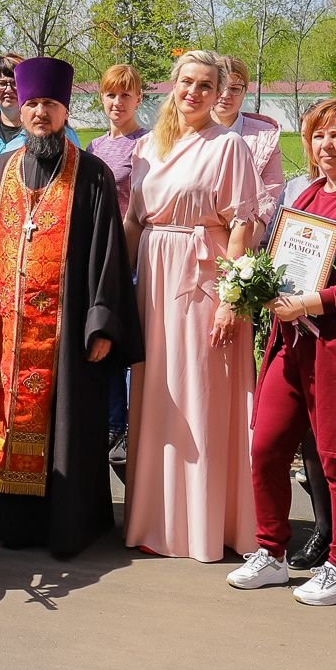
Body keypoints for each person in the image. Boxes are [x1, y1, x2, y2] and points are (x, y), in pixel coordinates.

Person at [0, 57, 142, 557]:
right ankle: (2, 518)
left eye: (50, 104)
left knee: (66, 422)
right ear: (19, 110)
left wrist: (101, 321)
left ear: (66, 111)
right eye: (32, 104)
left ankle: (65, 525)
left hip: (64, 331)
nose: (40, 112)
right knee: (2, 411)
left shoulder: (92, 175)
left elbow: (108, 254)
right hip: (6, 330)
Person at [228, 99, 336, 605]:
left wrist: (312, 301)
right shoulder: (304, 197)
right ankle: (271, 553)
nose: (327, 146)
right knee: (267, 448)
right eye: (319, 136)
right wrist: (259, 286)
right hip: (289, 341)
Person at [122, 50, 263, 562]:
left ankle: (206, 525)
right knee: (158, 393)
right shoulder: (147, 147)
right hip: (154, 280)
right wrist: (116, 285)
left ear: (219, 91)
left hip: (206, 281)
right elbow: (136, 220)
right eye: (187, 82)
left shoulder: (229, 147)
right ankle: (155, 520)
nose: (195, 92)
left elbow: (243, 224)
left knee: (202, 394)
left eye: (206, 85)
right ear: (172, 85)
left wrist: (232, 298)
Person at [84, 64, 148, 462]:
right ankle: (110, 422)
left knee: (129, 345)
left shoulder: (147, 145)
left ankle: (129, 427)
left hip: (136, 256)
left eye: (125, 95)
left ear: (139, 99)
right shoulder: (94, 148)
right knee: (104, 339)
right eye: (111, 94)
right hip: (103, 256)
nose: (117, 102)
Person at [0, 53, 81, 165]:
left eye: (15, 83)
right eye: (1, 83)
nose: (8, 90)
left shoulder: (54, 129)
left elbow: (76, 168)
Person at [212, 56, 285, 209]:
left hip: (247, 226)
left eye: (234, 89)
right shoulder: (189, 131)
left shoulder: (265, 136)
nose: (225, 95)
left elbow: (272, 194)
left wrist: (248, 231)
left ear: (245, 91)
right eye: (220, 87)